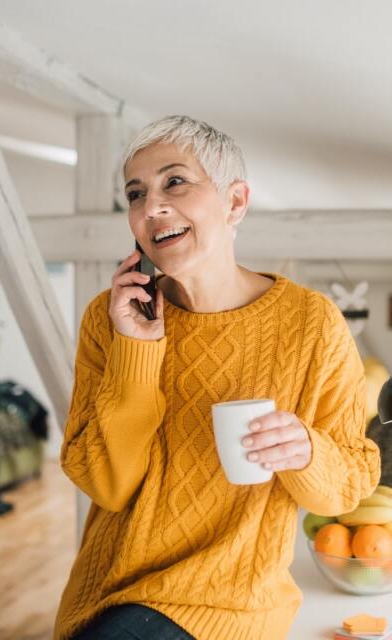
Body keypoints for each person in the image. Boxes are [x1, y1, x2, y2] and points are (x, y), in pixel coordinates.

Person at [54, 115, 381, 640]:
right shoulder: (109, 316)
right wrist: (137, 348)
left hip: (233, 605)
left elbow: (350, 485)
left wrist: (306, 452)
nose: (151, 206)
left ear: (234, 202)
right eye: (135, 194)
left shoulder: (311, 323)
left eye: (174, 182)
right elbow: (106, 487)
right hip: (117, 597)